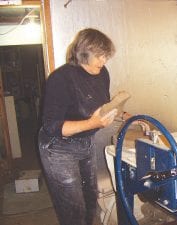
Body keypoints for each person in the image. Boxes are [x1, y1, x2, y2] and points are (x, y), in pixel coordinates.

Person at [38, 28, 127, 225]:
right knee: (73, 209)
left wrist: (120, 112)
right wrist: (92, 123)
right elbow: (52, 126)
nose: (104, 61)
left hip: (85, 142)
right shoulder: (60, 79)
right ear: (83, 53)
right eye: (100, 56)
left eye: (106, 56)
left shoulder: (102, 72)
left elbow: (99, 106)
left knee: (90, 202)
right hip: (58, 147)